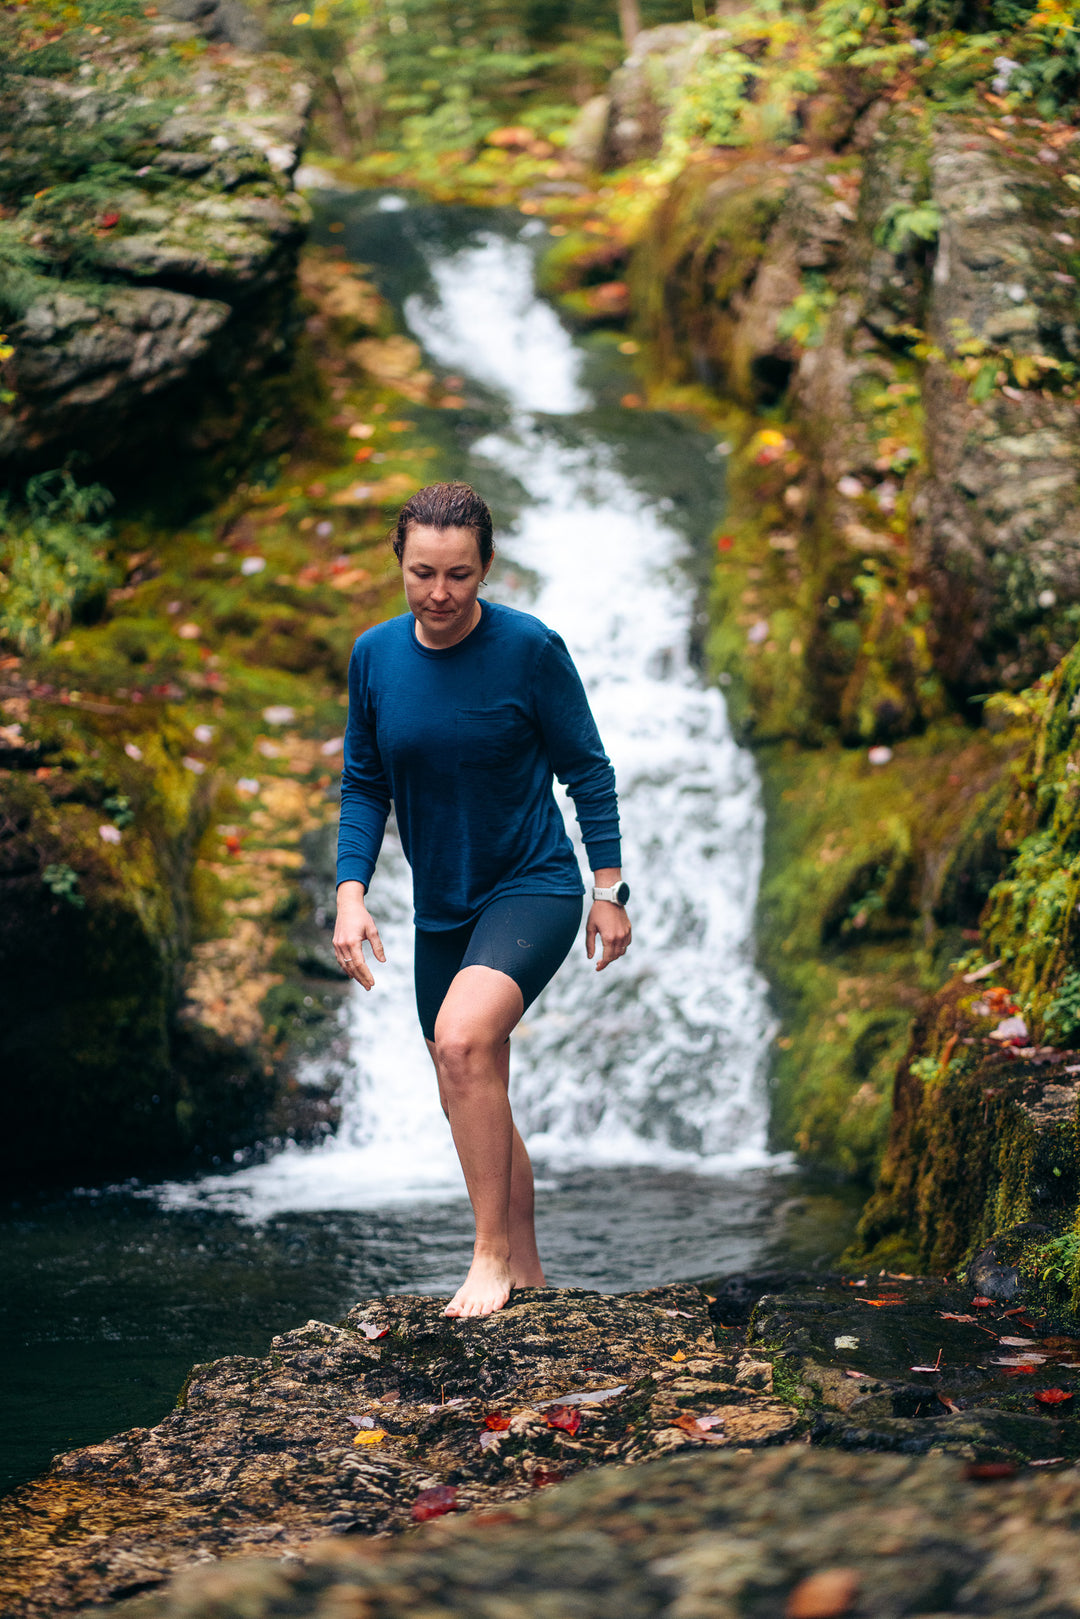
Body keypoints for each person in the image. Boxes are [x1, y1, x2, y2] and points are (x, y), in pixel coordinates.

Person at [333, 482, 631, 1319]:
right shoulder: (375, 657)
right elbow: (364, 783)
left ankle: (489, 1256)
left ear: (486, 567)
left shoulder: (531, 650)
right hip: (443, 910)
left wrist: (609, 889)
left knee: (462, 1042)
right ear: (398, 562)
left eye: (459, 575)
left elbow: (589, 770)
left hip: (532, 886)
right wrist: (350, 894)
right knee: (470, 1083)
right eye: (422, 572)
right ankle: (530, 1281)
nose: (438, 593)